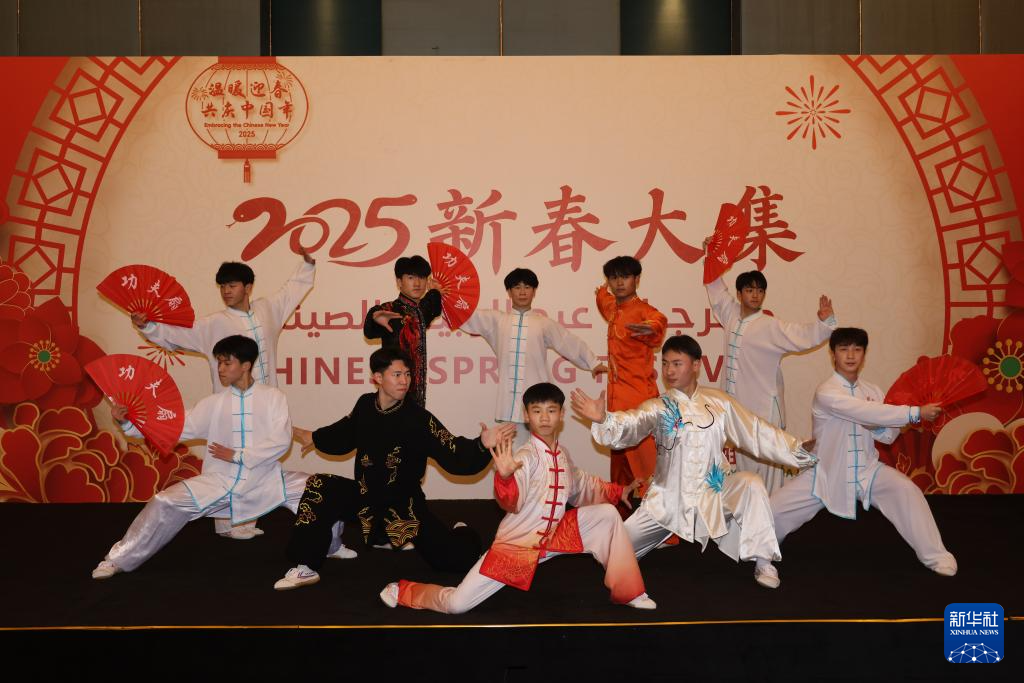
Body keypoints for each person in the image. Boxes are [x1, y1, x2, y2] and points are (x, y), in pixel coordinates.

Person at [380, 382, 654, 613]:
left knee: (607, 515)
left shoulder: (562, 455)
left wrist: (618, 491)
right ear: (526, 415)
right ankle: (402, 590)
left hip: (557, 535)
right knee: (457, 605)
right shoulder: (524, 457)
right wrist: (505, 478)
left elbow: (582, 484)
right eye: (537, 411)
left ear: (561, 415)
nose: (544, 418)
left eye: (551, 410)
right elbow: (511, 502)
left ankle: (629, 591)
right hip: (517, 545)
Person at [570, 335, 817, 589]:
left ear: (696, 365)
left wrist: (795, 448)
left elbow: (755, 431)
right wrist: (603, 420)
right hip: (667, 501)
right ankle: (650, 540)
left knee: (750, 483)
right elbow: (630, 425)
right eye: (665, 363)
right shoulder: (658, 407)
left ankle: (764, 561)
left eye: (677, 363)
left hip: (713, 492)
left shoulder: (719, 402)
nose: (669, 371)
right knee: (610, 556)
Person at [274, 347, 516, 590]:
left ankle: (462, 533)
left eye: (407, 374)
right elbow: (344, 433)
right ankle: (306, 565)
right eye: (397, 375)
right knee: (320, 485)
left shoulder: (418, 418)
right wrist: (313, 437)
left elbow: (452, 451)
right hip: (366, 498)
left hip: (403, 507)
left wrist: (481, 444)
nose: (404, 381)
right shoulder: (365, 405)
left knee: (454, 560)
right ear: (378, 378)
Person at [130, 248, 316, 539]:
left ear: (248, 287)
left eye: (232, 285)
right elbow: (178, 335)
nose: (226, 291)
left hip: (265, 402)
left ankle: (247, 520)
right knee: (225, 464)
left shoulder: (268, 309)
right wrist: (149, 326)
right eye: (222, 286)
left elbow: (291, 290)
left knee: (261, 461)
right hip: (229, 407)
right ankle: (227, 524)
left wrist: (307, 264)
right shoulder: (213, 323)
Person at [91, 336, 314, 579]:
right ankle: (117, 559)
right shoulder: (213, 404)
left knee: (317, 491)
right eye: (219, 363)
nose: (220, 369)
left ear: (246, 365)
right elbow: (173, 427)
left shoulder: (273, 397)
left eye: (227, 363)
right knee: (164, 501)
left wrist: (238, 455)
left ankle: (330, 547)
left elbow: (281, 439)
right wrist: (127, 423)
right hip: (219, 481)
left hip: (265, 480)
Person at [761, 327, 957, 585]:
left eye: (857, 349)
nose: (851, 355)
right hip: (827, 471)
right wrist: (915, 413)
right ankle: (762, 559)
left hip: (867, 469)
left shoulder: (873, 390)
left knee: (906, 491)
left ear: (864, 354)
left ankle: (937, 556)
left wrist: (876, 426)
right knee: (774, 509)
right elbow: (861, 410)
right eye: (844, 349)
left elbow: (888, 436)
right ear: (833, 354)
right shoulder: (827, 391)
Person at [705, 263, 836, 494]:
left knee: (768, 468)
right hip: (738, 410)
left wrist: (824, 324)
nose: (755, 295)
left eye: (760, 291)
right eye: (749, 290)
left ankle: (772, 512)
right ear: (739, 294)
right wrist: (711, 256)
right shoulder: (730, 314)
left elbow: (801, 335)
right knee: (743, 468)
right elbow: (716, 290)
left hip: (765, 409)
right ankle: (747, 510)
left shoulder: (770, 325)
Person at [459, 268, 607, 445]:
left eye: (527, 287)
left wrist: (593, 362)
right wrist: (442, 297)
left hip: (539, 403)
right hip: (508, 404)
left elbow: (568, 341)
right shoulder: (497, 320)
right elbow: (467, 315)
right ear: (509, 292)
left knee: (541, 450)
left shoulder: (543, 323)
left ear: (534, 291)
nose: (522, 292)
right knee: (510, 453)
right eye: (517, 287)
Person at [595, 256, 667, 495]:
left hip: (639, 404)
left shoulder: (645, 312)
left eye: (625, 277)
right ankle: (620, 517)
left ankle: (659, 517)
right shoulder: (612, 307)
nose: (619, 283)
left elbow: (659, 322)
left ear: (637, 279)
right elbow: (603, 300)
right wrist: (600, 292)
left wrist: (653, 328)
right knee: (620, 473)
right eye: (613, 278)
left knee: (648, 469)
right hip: (615, 406)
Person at [363, 255, 442, 408]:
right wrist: (374, 317)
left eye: (422, 278)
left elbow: (429, 309)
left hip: (416, 389)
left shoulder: (420, 311)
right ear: (399, 282)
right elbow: (370, 331)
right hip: (393, 387)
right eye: (411, 278)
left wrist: (435, 292)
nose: (417, 283)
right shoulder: (390, 309)